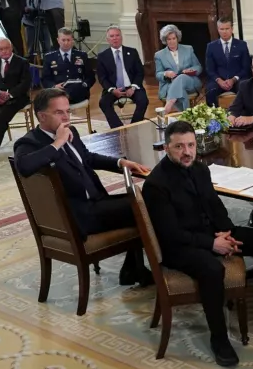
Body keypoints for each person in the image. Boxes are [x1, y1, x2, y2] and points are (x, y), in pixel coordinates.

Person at [143, 120, 253, 367]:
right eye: (179, 146)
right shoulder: (156, 184)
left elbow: (215, 206)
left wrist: (226, 233)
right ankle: (219, 338)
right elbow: (171, 233)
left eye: (190, 145)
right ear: (167, 148)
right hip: (181, 246)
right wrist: (212, 244)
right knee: (213, 270)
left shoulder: (201, 169)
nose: (187, 152)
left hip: (212, 233)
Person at [13, 88, 151, 285]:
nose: (66, 116)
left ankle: (133, 269)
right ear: (41, 116)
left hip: (97, 203)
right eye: (59, 112)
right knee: (146, 207)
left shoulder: (71, 131)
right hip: (78, 215)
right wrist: (58, 142)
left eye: (67, 111)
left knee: (146, 199)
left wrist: (120, 163)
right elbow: (24, 166)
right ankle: (142, 268)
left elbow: (86, 158)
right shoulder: (29, 143)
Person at [96, 25, 149, 128]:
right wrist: (112, 90)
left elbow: (140, 72)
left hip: (132, 87)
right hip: (113, 88)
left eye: (117, 35)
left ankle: (134, 126)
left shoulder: (132, 52)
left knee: (143, 100)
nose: (115, 38)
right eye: (112, 36)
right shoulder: (102, 56)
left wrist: (133, 87)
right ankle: (118, 128)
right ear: (108, 39)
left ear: (121, 37)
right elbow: (102, 77)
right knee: (104, 103)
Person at [154, 24, 202, 113]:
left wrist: (190, 70)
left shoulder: (188, 49)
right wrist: (165, 74)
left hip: (190, 81)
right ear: (165, 40)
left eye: (174, 38)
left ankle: (170, 103)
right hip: (170, 84)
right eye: (169, 39)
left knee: (181, 77)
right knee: (180, 90)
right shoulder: (159, 55)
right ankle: (186, 115)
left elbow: (198, 67)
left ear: (177, 38)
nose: (172, 41)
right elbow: (158, 74)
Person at [205, 17, 251, 107]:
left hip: (238, 79)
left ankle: (242, 115)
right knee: (211, 90)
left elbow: (246, 67)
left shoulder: (242, 45)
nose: (224, 31)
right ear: (218, 30)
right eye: (222, 29)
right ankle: (215, 116)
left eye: (227, 28)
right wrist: (219, 81)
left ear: (232, 29)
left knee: (244, 87)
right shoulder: (211, 46)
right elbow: (210, 69)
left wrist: (233, 79)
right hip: (218, 80)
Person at [42, 28, 94, 105]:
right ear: (58, 40)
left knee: (74, 90)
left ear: (72, 40)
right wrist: (54, 86)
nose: (66, 43)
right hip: (57, 92)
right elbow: (45, 79)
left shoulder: (82, 55)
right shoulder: (49, 57)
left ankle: (65, 98)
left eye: (68, 40)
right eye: (63, 40)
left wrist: (84, 85)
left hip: (78, 92)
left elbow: (90, 76)